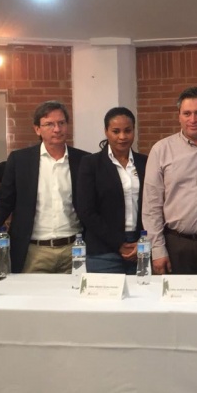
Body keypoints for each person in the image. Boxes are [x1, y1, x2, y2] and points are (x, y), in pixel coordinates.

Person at [0, 101, 88, 273]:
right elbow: (4, 202)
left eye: (61, 123)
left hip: (74, 249)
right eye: (49, 124)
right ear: (37, 129)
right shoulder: (20, 160)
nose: (57, 129)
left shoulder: (84, 160)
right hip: (33, 252)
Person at [142, 87, 197, 277]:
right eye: (187, 113)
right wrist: (157, 250)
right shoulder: (161, 150)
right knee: (176, 296)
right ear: (179, 115)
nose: (193, 119)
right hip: (176, 246)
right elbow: (151, 206)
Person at [76, 107, 147, 274]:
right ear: (106, 131)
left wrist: (142, 241)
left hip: (139, 246)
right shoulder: (91, 164)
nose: (122, 137)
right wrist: (118, 243)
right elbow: (86, 211)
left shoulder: (145, 162)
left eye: (128, 131)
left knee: (142, 290)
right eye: (116, 131)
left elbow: (153, 205)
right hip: (103, 250)